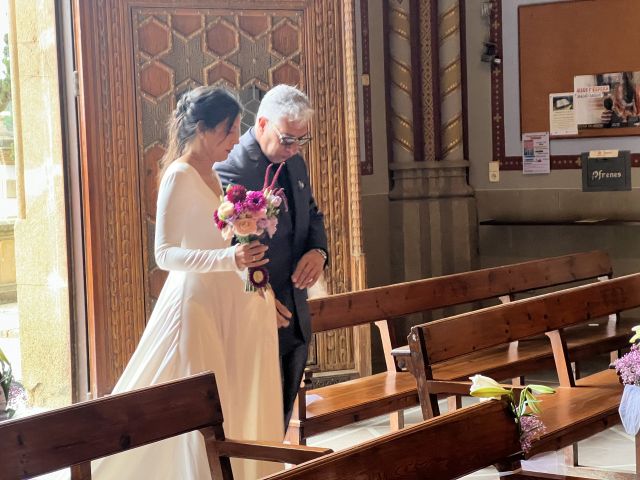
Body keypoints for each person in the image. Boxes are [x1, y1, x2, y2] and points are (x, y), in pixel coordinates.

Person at [91, 86, 284, 480]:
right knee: (202, 406)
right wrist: (227, 258)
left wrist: (252, 268)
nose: (235, 139)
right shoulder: (178, 175)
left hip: (225, 301)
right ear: (202, 128)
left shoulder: (213, 174)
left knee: (229, 399)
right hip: (194, 305)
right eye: (229, 131)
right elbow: (165, 254)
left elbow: (217, 240)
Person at [215, 85, 328, 430]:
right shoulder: (229, 169)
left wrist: (319, 251)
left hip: (296, 308)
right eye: (287, 139)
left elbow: (311, 213)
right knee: (254, 419)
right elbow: (222, 249)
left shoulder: (294, 162)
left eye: (301, 141)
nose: (294, 150)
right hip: (257, 312)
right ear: (262, 124)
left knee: (281, 417)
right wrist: (258, 294)